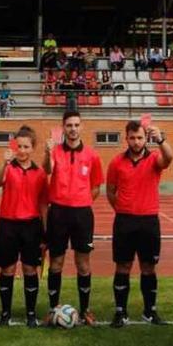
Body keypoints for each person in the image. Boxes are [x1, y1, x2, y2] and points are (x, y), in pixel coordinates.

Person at [106, 119, 173, 327]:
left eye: (140, 137)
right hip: (125, 221)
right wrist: (123, 209)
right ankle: (120, 312)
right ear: (126, 138)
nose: (136, 142)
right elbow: (110, 192)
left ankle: (150, 311)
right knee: (123, 265)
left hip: (149, 221)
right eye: (132, 137)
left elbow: (169, 157)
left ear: (146, 138)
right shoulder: (116, 162)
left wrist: (160, 139)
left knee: (148, 267)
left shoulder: (154, 159)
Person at [44, 110, 104, 325]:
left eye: (76, 125)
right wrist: (47, 153)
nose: (73, 129)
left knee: (83, 262)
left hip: (82, 214)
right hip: (58, 212)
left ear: (82, 127)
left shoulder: (92, 155)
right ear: (63, 127)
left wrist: (81, 200)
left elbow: (96, 187)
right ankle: (53, 308)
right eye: (69, 125)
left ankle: (86, 308)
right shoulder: (55, 152)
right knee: (56, 262)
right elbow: (47, 169)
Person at [0, 126, 49, 328]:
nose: (22, 150)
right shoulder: (8, 167)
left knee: (29, 269)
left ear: (32, 148)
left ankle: (31, 314)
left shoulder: (40, 173)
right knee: (7, 269)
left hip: (31, 226)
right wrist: (4, 163)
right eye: (19, 146)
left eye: (26, 146)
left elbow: (43, 203)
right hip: (8, 224)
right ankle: (6, 314)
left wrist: (45, 230)